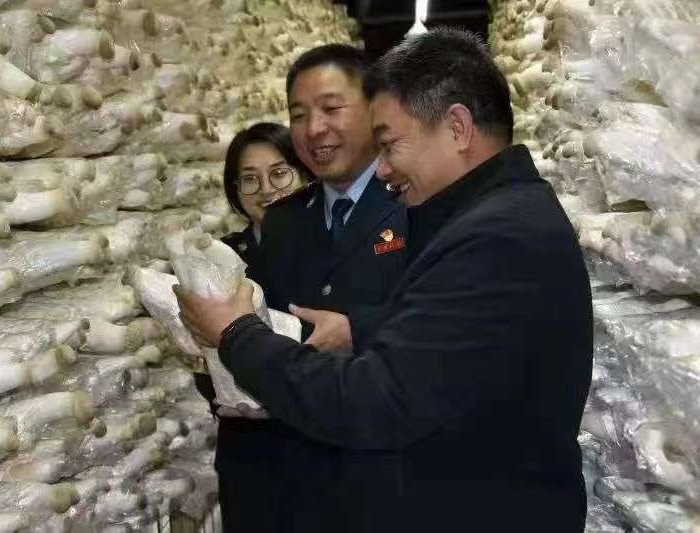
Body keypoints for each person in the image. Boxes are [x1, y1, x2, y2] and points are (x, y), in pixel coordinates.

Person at [177, 27, 593, 532]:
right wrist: (361, 331)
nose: (383, 170)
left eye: (390, 145)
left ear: (457, 128)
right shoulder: (485, 218)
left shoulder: (497, 235)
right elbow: (447, 347)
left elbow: (376, 400)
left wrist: (236, 333)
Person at [257, 44, 409, 532]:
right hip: (305, 475)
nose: (313, 130)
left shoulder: (416, 202)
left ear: (374, 109)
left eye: (331, 108)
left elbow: (451, 319)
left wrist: (357, 329)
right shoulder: (282, 223)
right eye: (299, 115)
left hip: (396, 472)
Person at [191, 122, 310, 533]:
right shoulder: (218, 258)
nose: (266, 189)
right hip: (250, 447)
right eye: (249, 179)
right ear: (234, 190)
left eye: (279, 173)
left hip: (322, 440)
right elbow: (197, 346)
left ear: (305, 174)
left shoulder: (335, 249)